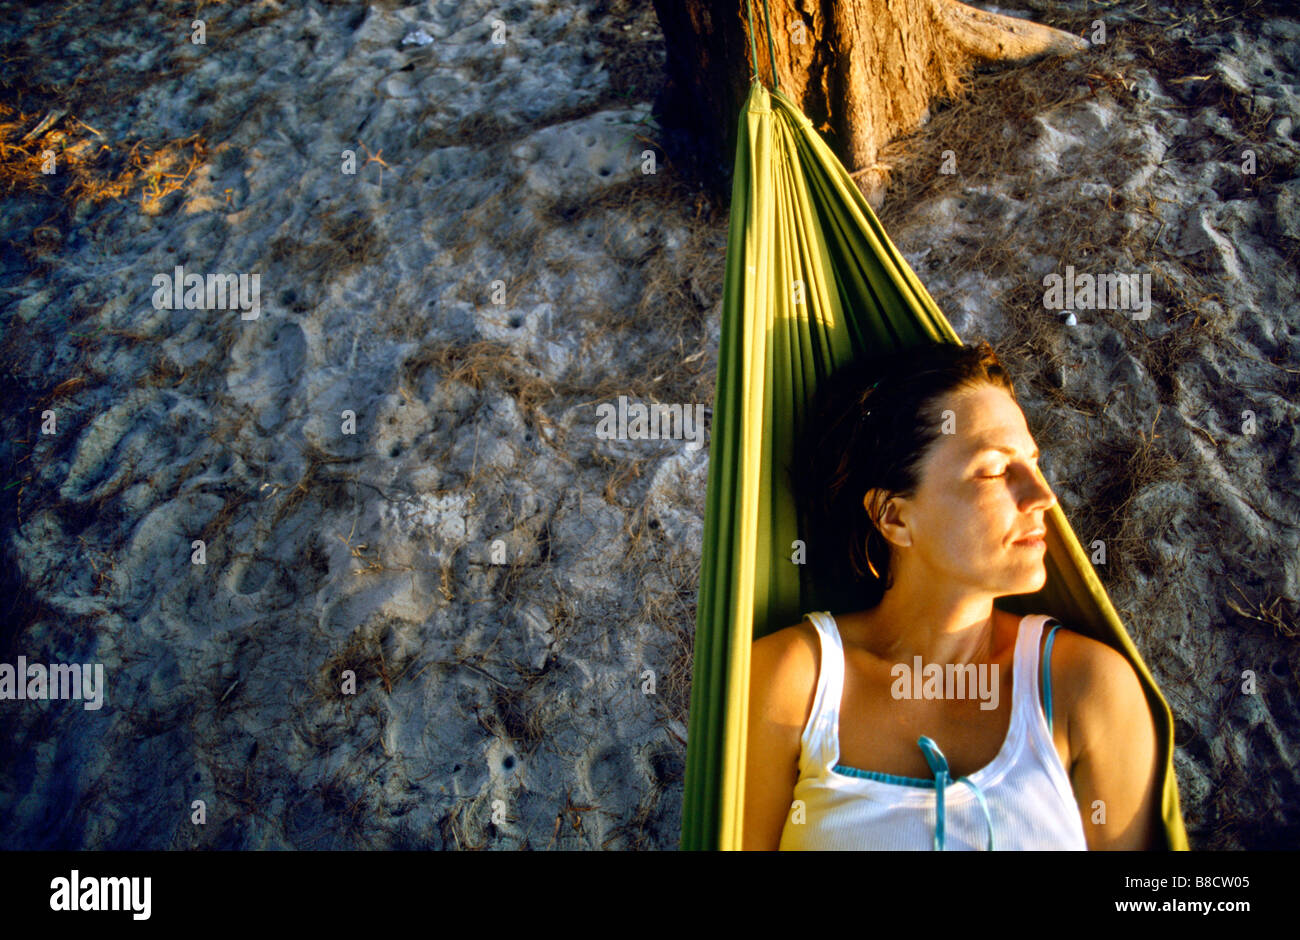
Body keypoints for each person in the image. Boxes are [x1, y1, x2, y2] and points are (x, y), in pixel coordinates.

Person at [743, 341, 1162, 850]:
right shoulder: (795, 682)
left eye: (1033, 463)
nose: (1043, 495)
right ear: (894, 517)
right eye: (993, 471)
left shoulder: (1085, 687)